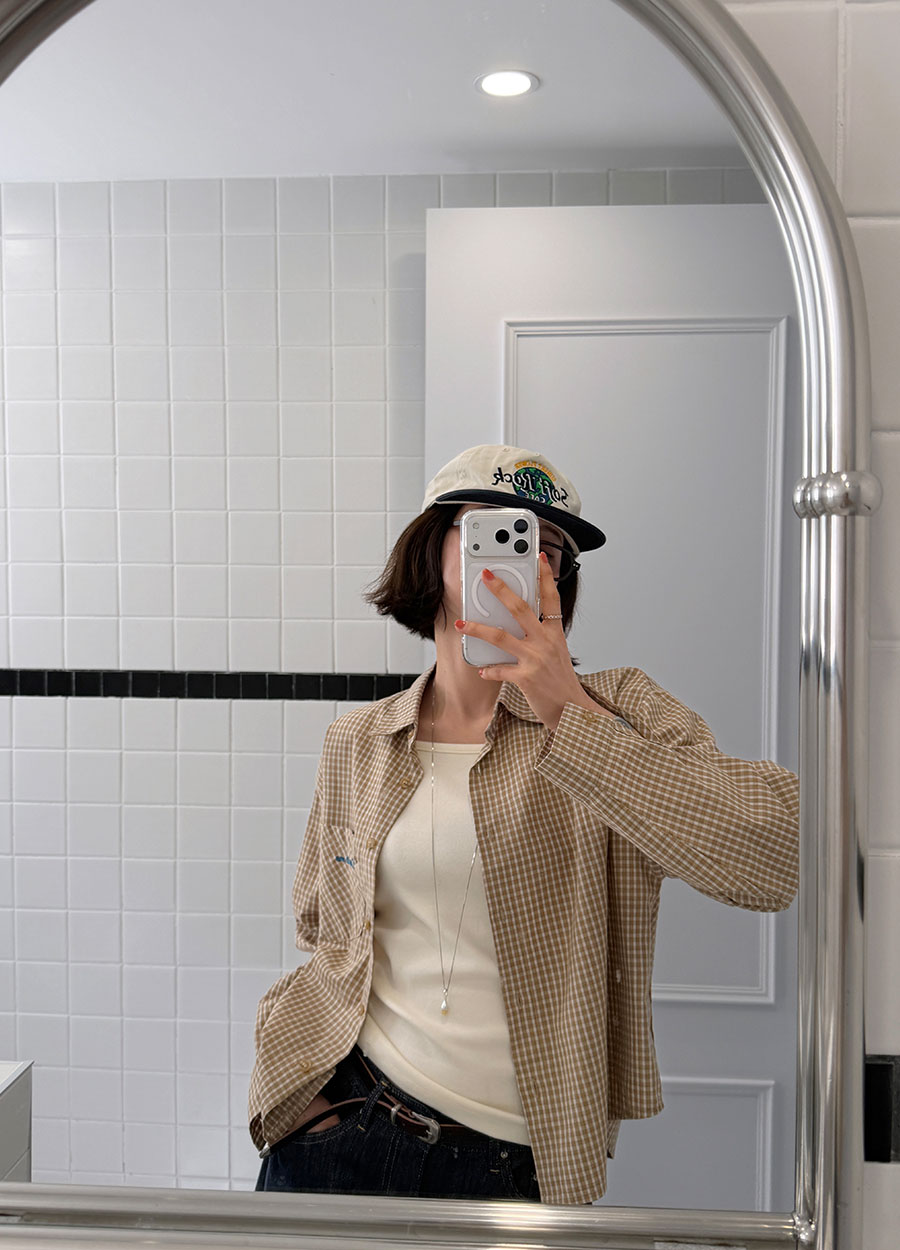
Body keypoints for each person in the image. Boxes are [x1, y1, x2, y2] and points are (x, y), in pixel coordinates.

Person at [250, 444, 799, 1205]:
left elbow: (773, 857)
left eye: (551, 550)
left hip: (512, 1167)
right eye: (497, 533)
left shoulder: (622, 711)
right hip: (339, 1130)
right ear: (432, 548)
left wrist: (566, 709)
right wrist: (304, 1096)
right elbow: (324, 933)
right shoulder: (359, 741)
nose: (526, 561)